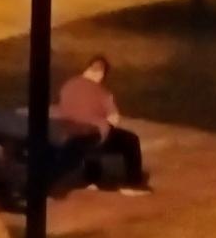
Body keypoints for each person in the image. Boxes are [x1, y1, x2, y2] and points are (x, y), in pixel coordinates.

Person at [51, 54, 147, 189]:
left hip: (71, 135)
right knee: (130, 140)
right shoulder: (103, 92)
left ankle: (92, 178)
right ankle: (133, 183)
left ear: (88, 68)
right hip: (92, 138)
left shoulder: (68, 85)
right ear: (101, 73)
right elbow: (114, 119)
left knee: (89, 133)